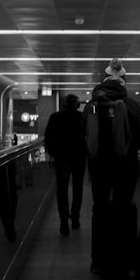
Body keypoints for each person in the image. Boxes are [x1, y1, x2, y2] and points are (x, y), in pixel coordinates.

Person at [86, 59, 140, 280]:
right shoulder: (131, 105)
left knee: (100, 210)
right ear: (124, 81)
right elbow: (139, 138)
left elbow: (86, 137)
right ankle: (121, 263)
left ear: (103, 80)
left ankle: (98, 262)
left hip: (99, 167)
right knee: (122, 209)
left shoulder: (91, 105)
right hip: (125, 167)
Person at [44, 93, 86, 235]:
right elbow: (87, 137)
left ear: (64, 104)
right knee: (77, 188)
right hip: (78, 158)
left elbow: (48, 137)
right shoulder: (81, 118)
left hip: (61, 158)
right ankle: (75, 218)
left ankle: (63, 220)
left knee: (62, 189)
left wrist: (53, 154)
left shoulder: (55, 117)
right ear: (77, 105)